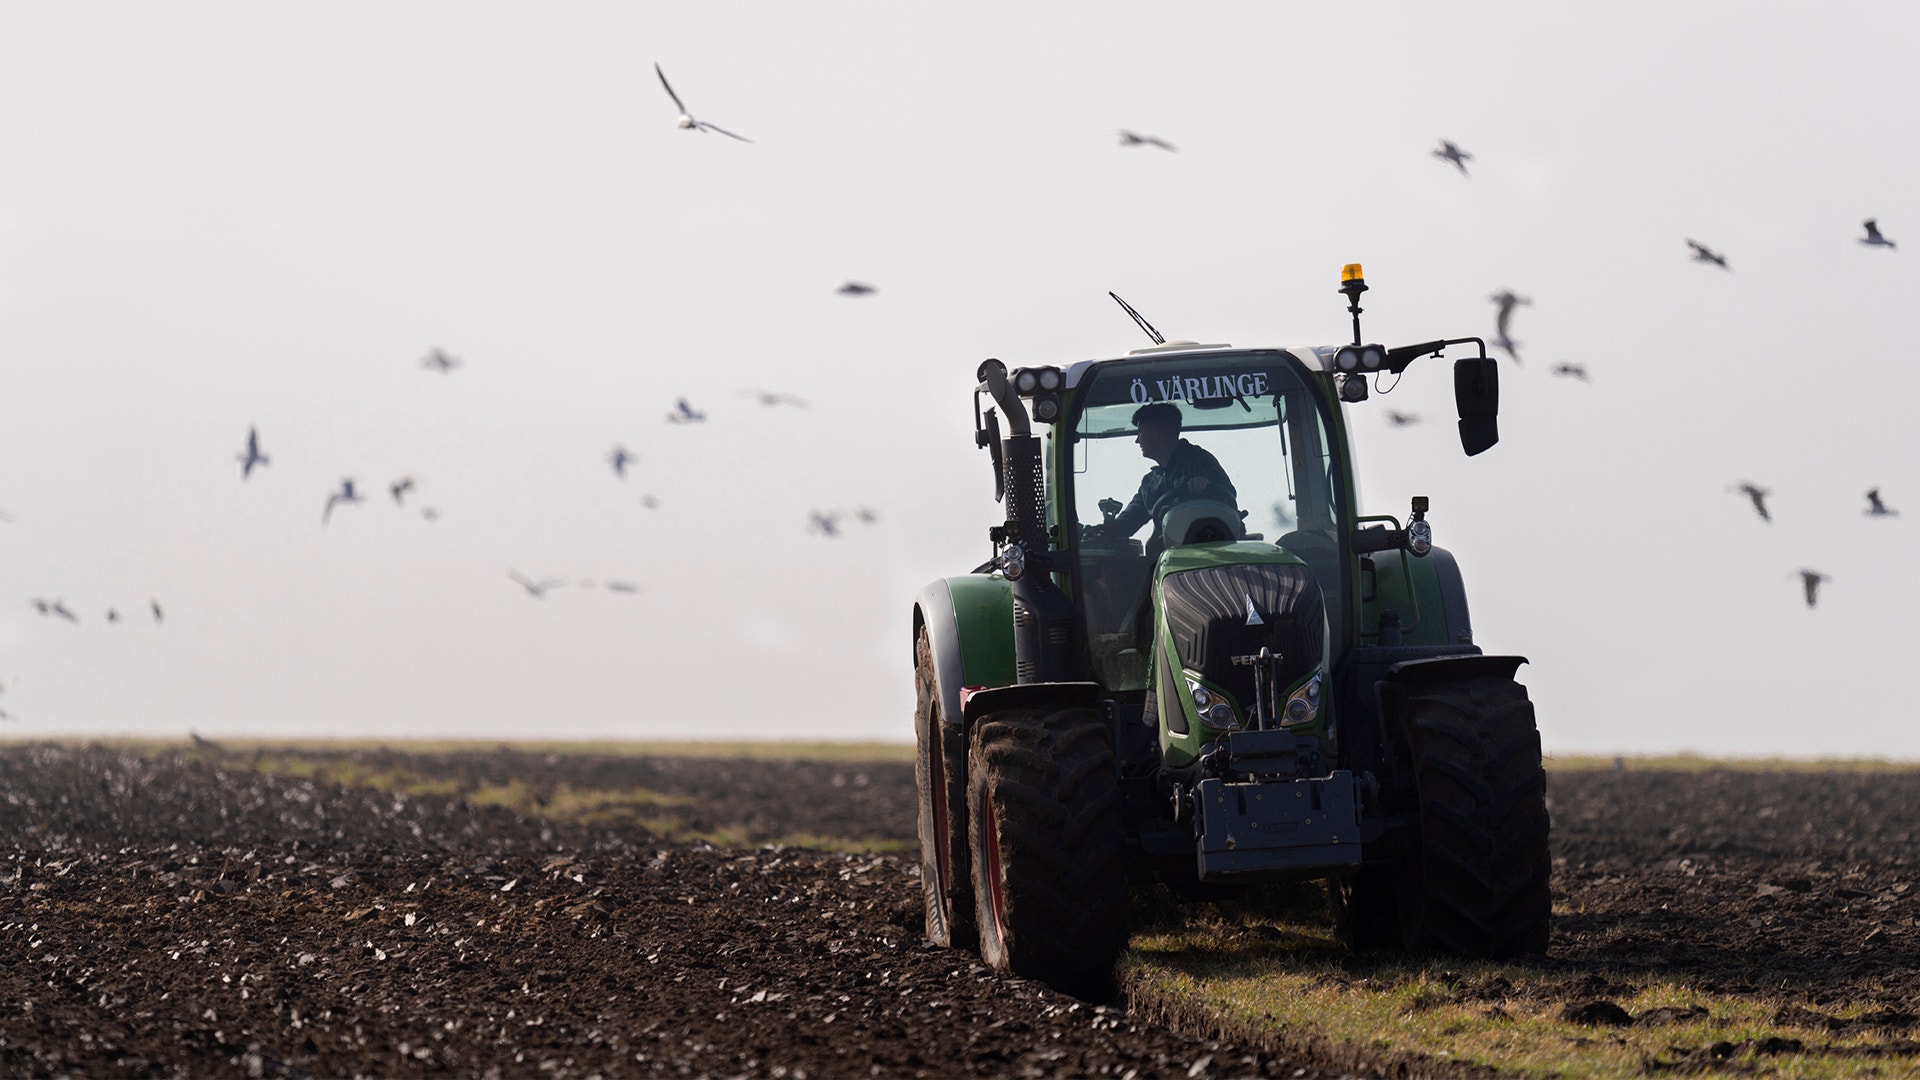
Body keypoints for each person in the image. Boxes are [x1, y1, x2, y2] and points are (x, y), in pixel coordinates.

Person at [1103, 402, 1238, 539]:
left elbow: (1227, 497)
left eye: (1140, 432)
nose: (1137, 440)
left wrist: (1203, 487)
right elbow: (1129, 521)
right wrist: (1102, 530)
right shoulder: (1150, 483)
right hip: (1167, 556)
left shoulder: (1200, 461)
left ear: (1156, 434)